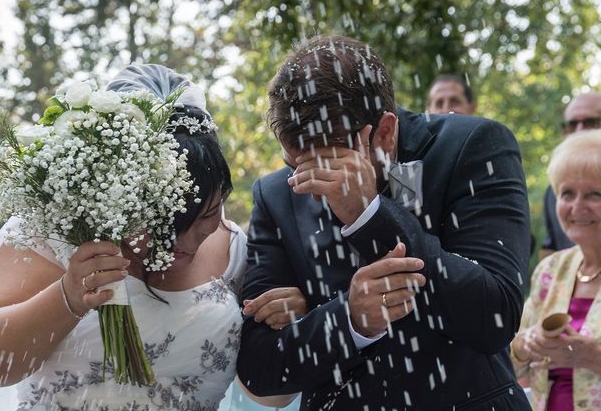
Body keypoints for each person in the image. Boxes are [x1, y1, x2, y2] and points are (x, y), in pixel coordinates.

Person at [0, 64, 303, 411]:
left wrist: (291, 326)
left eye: (206, 215)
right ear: (122, 196)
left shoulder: (235, 251)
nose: (184, 243)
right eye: (162, 223)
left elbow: (272, 395)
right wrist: (68, 297)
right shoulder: (50, 232)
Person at [237, 35, 532, 410]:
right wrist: (348, 320)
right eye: (295, 166)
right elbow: (260, 370)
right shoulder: (275, 196)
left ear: (386, 132)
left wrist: (368, 216)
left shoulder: (473, 145)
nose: (311, 190)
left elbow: (495, 314)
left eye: (330, 168)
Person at [510, 129, 601, 411]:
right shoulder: (551, 269)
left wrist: (590, 355)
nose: (577, 207)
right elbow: (508, 356)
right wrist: (528, 344)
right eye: (567, 193)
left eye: (594, 194)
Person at [539, 92, 601, 261]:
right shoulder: (552, 193)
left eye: (591, 122)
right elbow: (549, 248)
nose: (579, 130)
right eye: (572, 124)